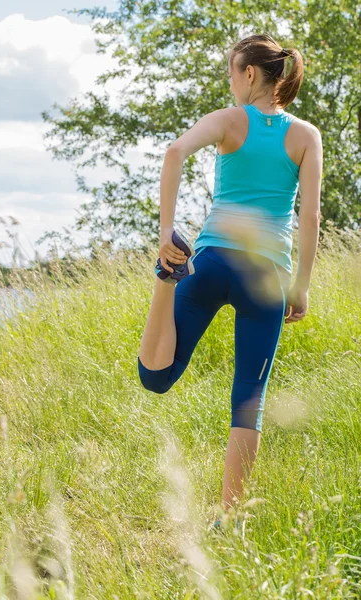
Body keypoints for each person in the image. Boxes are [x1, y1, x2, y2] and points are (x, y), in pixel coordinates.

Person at [137, 33, 323, 528]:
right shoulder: (305, 135)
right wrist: (300, 285)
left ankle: (165, 275)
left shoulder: (228, 121)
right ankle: (230, 517)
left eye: (231, 72)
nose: (230, 82)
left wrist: (164, 233)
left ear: (248, 74)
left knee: (155, 378)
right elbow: (310, 217)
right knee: (249, 402)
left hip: (213, 259)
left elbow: (175, 152)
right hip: (267, 276)